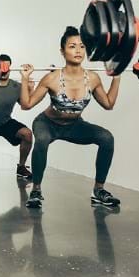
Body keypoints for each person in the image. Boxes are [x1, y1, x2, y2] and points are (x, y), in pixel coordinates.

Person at [19, 27, 121, 208]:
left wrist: (116, 76)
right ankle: (36, 190)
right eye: (72, 46)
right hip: (47, 123)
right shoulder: (51, 78)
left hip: (74, 125)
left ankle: (98, 190)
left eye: (82, 46)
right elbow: (26, 105)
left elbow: (108, 104)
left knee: (107, 138)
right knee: (41, 140)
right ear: (62, 51)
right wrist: (25, 79)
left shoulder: (93, 78)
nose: (78, 51)